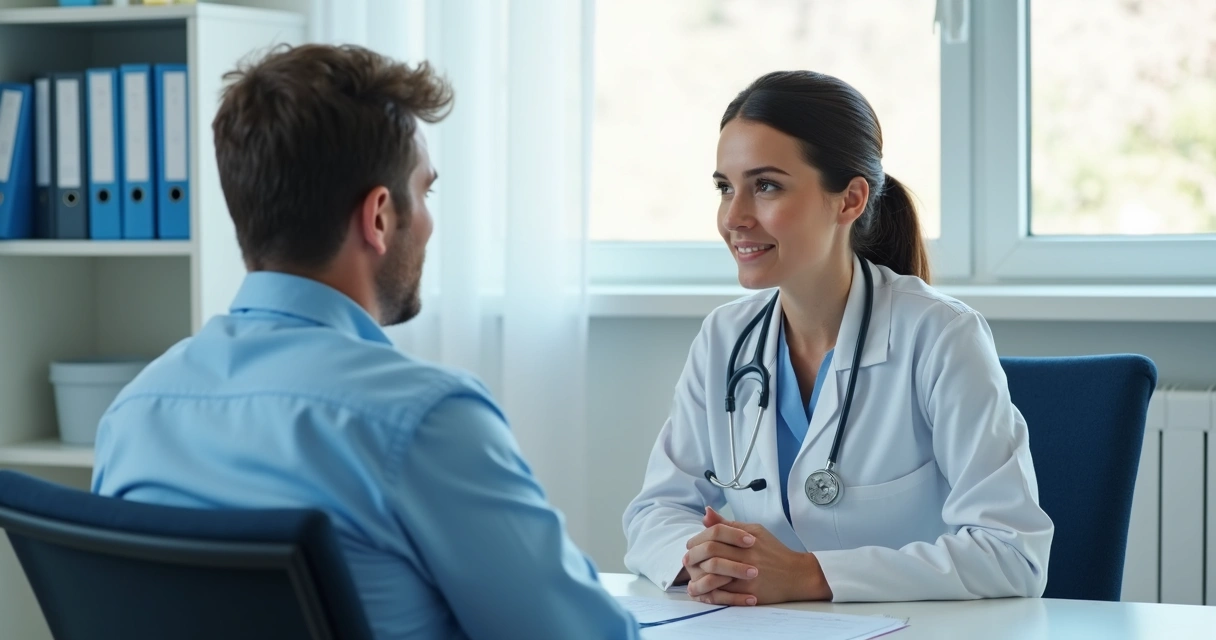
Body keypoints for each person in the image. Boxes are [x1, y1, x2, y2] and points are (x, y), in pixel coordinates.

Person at [91, 44, 638, 640]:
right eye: (425, 192)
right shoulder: (422, 419)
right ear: (378, 217)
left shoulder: (135, 412)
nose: (428, 221)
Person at [622, 70, 1054, 606]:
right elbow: (655, 511)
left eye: (766, 186)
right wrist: (706, 558)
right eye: (725, 188)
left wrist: (811, 575)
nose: (733, 217)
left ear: (849, 200)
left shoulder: (940, 335)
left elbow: (1012, 553)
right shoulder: (725, 338)